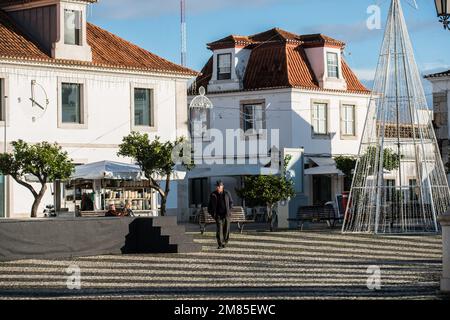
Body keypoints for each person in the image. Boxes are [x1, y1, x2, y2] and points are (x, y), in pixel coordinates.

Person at [208, 180, 233, 249]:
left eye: (219, 186)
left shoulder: (227, 193)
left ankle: (225, 242)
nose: (217, 187)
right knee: (219, 230)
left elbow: (231, 203)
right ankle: (220, 244)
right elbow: (209, 206)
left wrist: (229, 210)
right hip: (218, 216)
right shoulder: (213, 194)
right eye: (217, 186)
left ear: (222, 186)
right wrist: (213, 214)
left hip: (226, 215)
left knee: (226, 229)